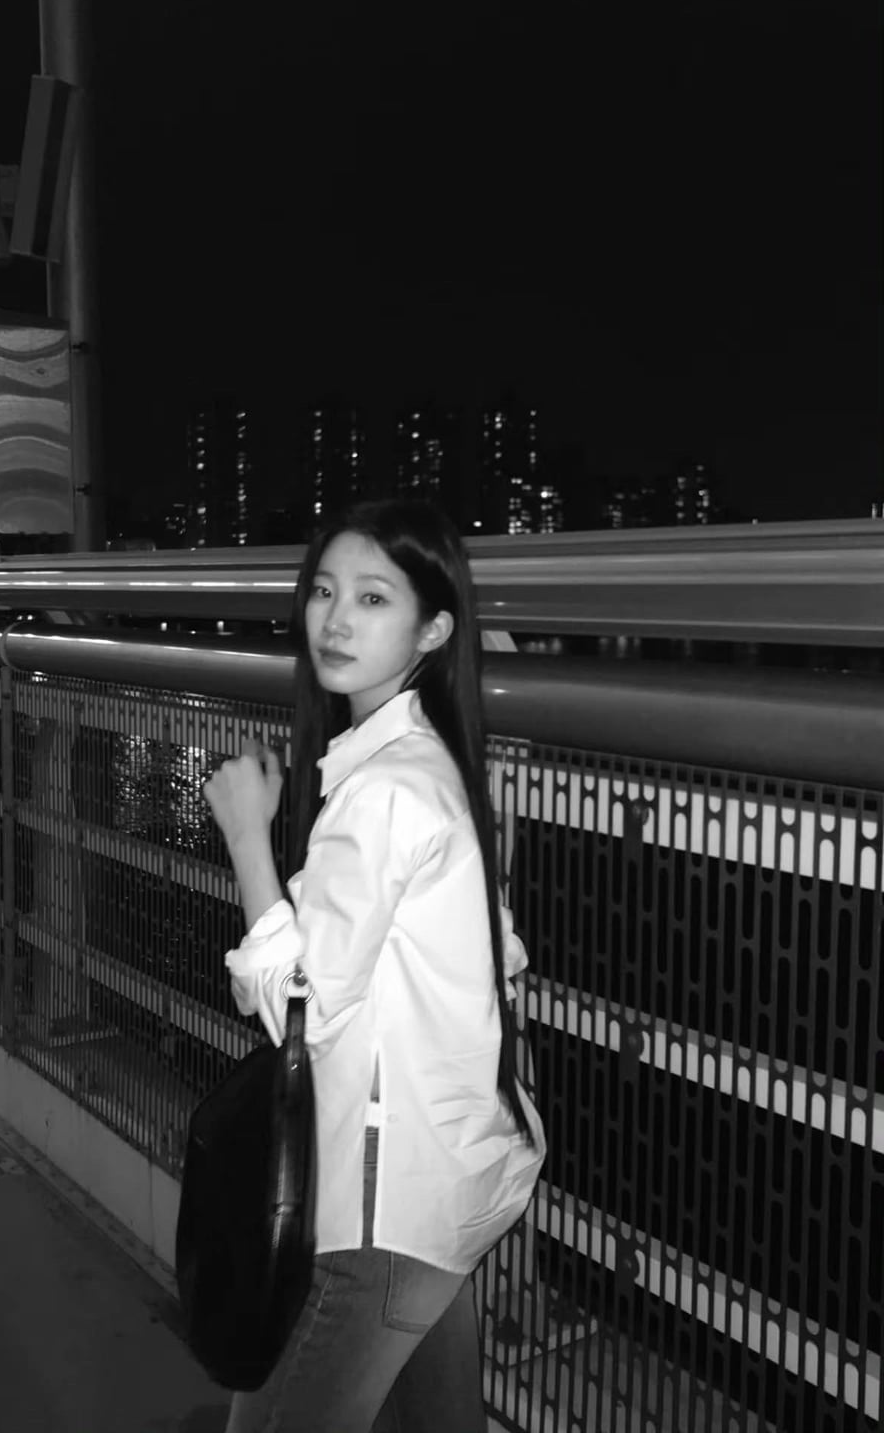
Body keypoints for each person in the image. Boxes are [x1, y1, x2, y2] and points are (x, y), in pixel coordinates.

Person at [202, 498, 545, 1433]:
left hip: (378, 1211)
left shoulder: (386, 789)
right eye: (324, 591)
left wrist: (247, 838)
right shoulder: (432, 762)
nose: (336, 620)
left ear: (433, 631)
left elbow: (304, 1007)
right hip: (438, 1179)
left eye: (373, 598)